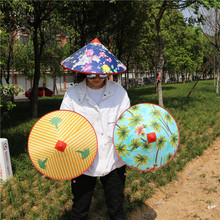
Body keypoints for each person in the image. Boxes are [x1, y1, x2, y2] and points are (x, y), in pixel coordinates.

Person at [60, 73, 130, 220]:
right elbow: (63, 124)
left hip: (113, 159)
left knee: (116, 208)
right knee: (79, 208)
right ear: (84, 72)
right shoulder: (72, 94)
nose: (97, 78)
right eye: (91, 75)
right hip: (82, 161)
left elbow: (128, 122)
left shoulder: (119, 92)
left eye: (102, 73)